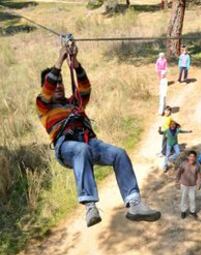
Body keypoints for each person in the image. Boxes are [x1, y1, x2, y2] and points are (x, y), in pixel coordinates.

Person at [36, 45, 161, 227]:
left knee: (119, 153)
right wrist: (59, 60)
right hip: (67, 147)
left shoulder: (74, 103)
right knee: (81, 150)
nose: (59, 86)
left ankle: (134, 203)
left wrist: (75, 63)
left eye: (61, 82)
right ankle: (90, 205)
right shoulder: (43, 105)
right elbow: (47, 89)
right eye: (55, 83)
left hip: (89, 142)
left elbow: (85, 88)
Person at [176, 150, 201, 219]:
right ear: (188, 157)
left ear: (195, 158)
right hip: (184, 185)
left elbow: (199, 175)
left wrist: (199, 183)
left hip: (193, 186)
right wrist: (177, 181)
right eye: (190, 156)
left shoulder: (197, 165)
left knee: (192, 199)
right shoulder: (183, 164)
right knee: (184, 198)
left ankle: (192, 211)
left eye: (193, 156)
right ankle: (183, 211)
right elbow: (178, 173)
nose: (192, 158)